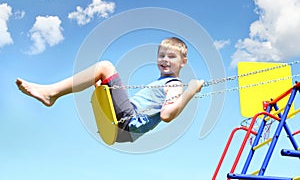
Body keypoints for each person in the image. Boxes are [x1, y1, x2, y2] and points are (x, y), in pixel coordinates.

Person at [16, 37, 204, 142]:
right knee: (100, 77)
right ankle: (53, 93)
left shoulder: (175, 85)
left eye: (172, 56)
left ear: (183, 61)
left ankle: (50, 94)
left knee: (104, 66)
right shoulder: (162, 82)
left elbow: (167, 115)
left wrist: (191, 91)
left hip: (130, 121)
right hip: (126, 125)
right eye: (161, 55)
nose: (165, 60)